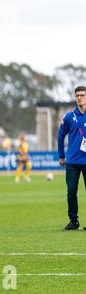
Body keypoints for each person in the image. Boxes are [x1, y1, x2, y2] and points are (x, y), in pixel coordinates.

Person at [58, 85, 86, 231]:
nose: (80, 97)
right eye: (77, 95)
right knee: (71, 192)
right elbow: (60, 135)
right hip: (72, 162)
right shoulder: (69, 117)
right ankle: (73, 221)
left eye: (82, 95)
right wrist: (61, 155)